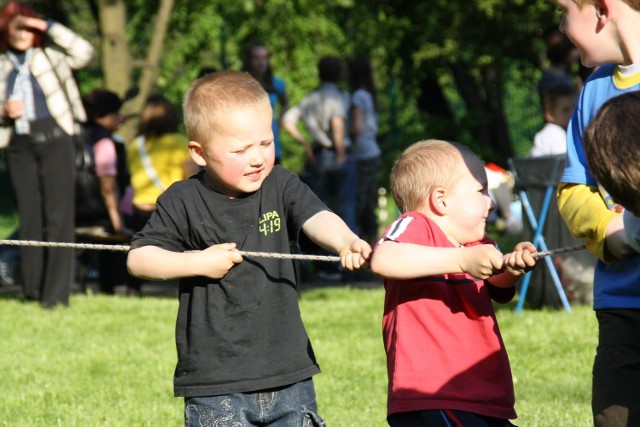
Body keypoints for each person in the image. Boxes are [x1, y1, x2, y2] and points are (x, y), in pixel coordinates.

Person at [126, 70, 371, 425]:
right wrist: (198, 262)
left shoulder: (280, 184)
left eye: (266, 143)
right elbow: (139, 259)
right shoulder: (182, 200)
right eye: (241, 150)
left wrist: (345, 240)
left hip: (289, 372)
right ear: (199, 152)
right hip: (216, 383)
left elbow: (316, 216)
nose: (257, 158)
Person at [370, 139, 538, 427]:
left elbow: (499, 282)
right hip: (433, 397)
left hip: (481, 398)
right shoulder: (415, 225)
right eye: (481, 190)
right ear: (441, 199)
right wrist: (461, 260)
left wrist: (514, 265)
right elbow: (383, 258)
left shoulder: (476, 244)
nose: (491, 202)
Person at [555, 0, 640, 425]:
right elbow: (573, 188)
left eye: (563, 11)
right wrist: (612, 230)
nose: (560, 26)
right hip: (623, 306)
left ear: (601, 10)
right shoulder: (594, 88)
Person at [0, 2, 93, 307]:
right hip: (18, 146)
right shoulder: (2, 64)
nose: (24, 32)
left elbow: (84, 52)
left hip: (56, 141)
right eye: (18, 26)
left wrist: (46, 26)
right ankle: (31, 290)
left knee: (58, 218)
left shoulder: (51, 55)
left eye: (29, 26)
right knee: (29, 218)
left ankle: (55, 297)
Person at [125, 94, 196, 295]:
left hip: (140, 206)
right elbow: (191, 175)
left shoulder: (135, 144)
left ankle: (133, 290)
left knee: (140, 248)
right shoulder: (181, 142)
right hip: (171, 207)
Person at [283, 55, 356, 231]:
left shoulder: (310, 98)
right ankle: (346, 254)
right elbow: (337, 121)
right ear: (339, 74)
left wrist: (305, 143)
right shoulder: (340, 96)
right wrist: (341, 154)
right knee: (345, 207)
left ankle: (321, 254)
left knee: (319, 208)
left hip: (318, 156)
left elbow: (287, 120)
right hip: (339, 153)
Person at [78, 89, 130, 294]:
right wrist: (118, 225)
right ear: (102, 115)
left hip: (71, 212)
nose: (120, 119)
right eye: (115, 114)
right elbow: (107, 188)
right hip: (96, 213)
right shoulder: (105, 142)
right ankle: (113, 288)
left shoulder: (74, 136)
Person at [348, 54, 381, 246]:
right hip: (372, 152)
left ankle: (362, 244)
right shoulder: (369, 94)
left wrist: (344, 136)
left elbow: (356, 128)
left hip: (362, 155)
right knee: (369, 201)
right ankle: (373, 242)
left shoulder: (357, 96)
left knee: (359, 203)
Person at [242, 41, 289, 164]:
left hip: (272, 145)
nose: (261, 62)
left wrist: (279, 123)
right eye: (256, 58)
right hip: (247, 145)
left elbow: (285, 103)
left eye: (264, 58)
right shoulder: (240, 83)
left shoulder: (276, 83)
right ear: (248, 60)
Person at [529, 82, 578, 157]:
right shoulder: (554, 133)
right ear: (550, 115)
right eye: (565, 110)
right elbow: (566, 161)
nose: (572, 113)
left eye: (575, 107)